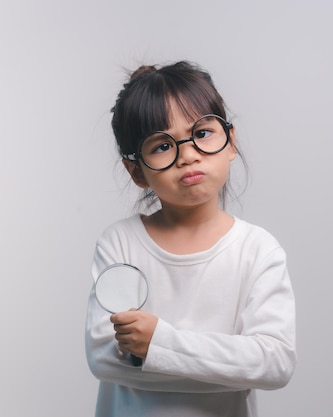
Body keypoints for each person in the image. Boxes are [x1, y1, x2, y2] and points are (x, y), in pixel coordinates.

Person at [85, 60, 296, 417]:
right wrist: (230, 367)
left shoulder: (257, 250)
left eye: (202, 133)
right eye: (162, 146)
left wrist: (158, 345)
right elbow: (104, 359)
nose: (187, 155)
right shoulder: (121, 243)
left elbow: (274, 363)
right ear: (136, 170)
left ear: (230, 141)